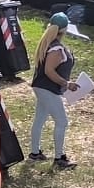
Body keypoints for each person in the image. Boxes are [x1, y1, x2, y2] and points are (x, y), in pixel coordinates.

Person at [27, 12, 83, 166]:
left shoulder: (48, 44)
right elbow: (49, 71)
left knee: (40, 119)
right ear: (64, 30)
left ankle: (35, 153)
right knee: (62, 122)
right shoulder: (56, 50)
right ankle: (59, 158)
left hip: (42, 87)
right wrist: (66, 83)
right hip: (48, 89)